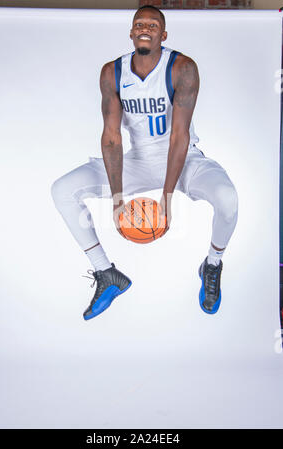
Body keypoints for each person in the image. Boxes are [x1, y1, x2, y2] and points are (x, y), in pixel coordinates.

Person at [51, 5, 238, 320]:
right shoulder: (112, 72)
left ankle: (212, 264)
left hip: (183, 158)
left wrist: (166, 198)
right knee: (62, 189)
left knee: (228, 199)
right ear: (131, 32)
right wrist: (116, 198)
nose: (145, 27)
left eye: (153, 24)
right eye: (139, 23)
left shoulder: (182, 68)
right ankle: (106, 274)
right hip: (138, 159)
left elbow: (178, 137)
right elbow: (111, 137)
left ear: (163, 35)